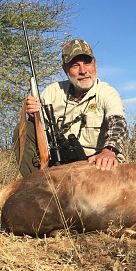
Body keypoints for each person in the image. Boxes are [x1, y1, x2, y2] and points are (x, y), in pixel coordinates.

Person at [14, 39, 128, 177]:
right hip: (62, 166)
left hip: (96, 165)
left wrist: (109, 151)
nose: (83, 71)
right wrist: (33, 112)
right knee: (26, 128)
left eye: (87, 63)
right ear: (65, 69)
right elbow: (40, 127)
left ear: (95, 63)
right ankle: (36, 184)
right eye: (75, 65)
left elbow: (118, 124)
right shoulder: (53, 91)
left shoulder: (107, 93)